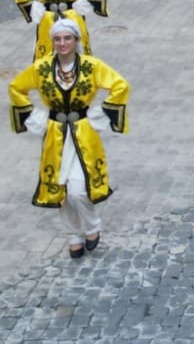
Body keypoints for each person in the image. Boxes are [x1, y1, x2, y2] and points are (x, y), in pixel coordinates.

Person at [8, 18, 131, 259]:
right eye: (57, 39)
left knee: (79, 191)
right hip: (55, 136)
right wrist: (35, 117)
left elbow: (120, 85)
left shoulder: (91, 66)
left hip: (83, 135)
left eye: (67, 38)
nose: (62, 43)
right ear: (52, 41)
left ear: (76, 40)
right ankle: (73, 235)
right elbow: (16, 87)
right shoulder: (42, 68)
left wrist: (101, 112)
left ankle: (92, 226)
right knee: (60, 189)